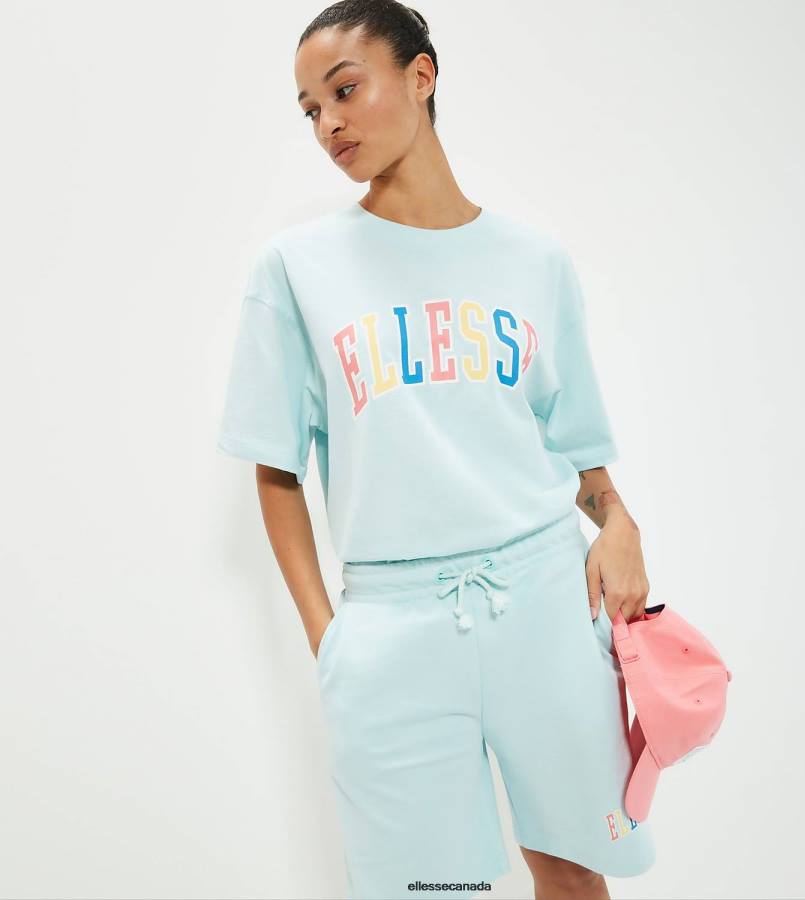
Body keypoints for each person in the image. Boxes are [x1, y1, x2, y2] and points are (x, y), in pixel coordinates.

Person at [216, 2, 656, 898]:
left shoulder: (534, 261)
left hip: (544, 600)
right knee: (423, 890)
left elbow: (577, 446)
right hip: (392, 625)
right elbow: (275, 469)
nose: (328, 123)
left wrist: (619, 523)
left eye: (345, 90)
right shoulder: (296, 269)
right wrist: (330, 639)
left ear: (421, 76)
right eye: (310, 109)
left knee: (575, 871)